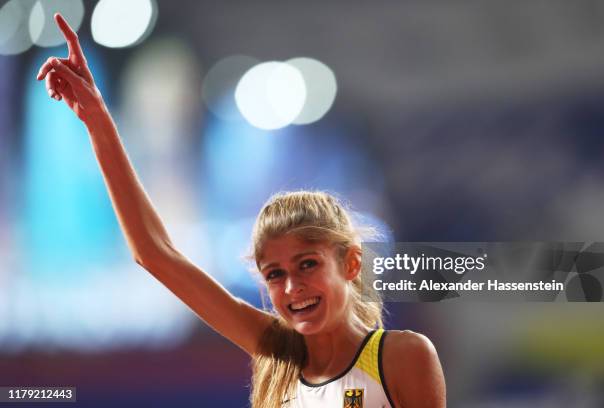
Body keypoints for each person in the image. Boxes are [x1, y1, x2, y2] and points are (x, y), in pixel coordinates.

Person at [37, 13, 446, 408]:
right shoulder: (275, 351)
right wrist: (96, 119)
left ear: (351, 262)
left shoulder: (402, 355)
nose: (291, 288)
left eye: (307, 264)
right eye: (274, 274)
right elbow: (155, 254)